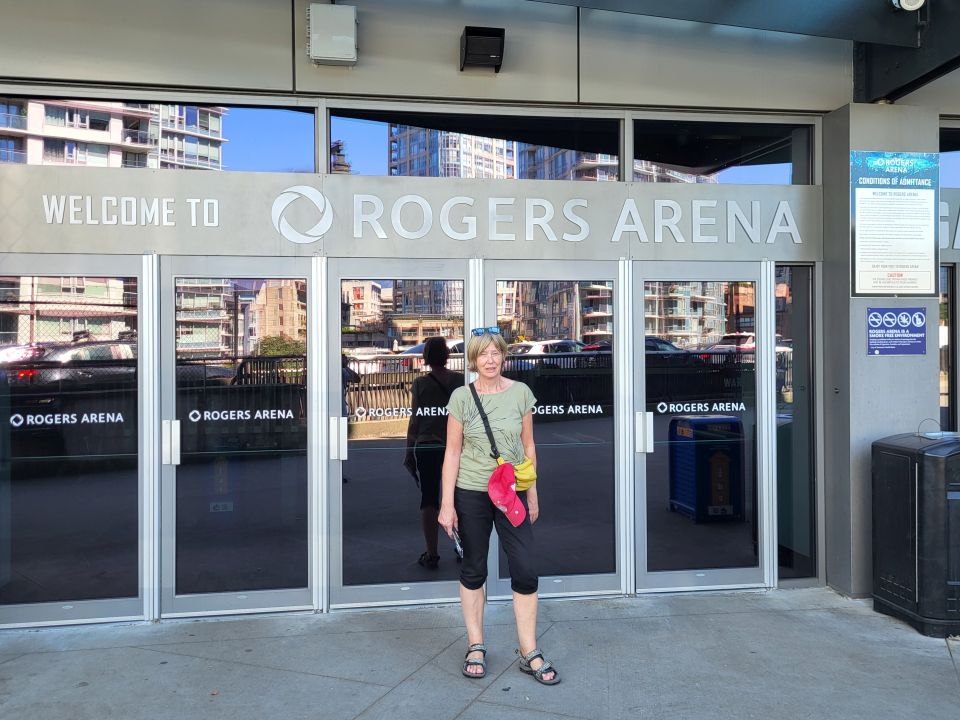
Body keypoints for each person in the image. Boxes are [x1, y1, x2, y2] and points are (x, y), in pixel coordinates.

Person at [438, 328, 560, 685]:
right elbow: (452, 452)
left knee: (525, 569)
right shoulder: (462, 397)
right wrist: (447, 504)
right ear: (473, 360)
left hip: (511, 492)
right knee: (474, 568)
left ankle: (529, 650)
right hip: (471, 492)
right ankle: (475, 645)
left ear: (504, 356)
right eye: (483, 354)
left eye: (496, 353)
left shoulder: (520, 393)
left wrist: (532, 493)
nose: (490, 360)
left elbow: (529, 446)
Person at [404, 337, 464, 569]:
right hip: (456, 446)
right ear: (447, 356)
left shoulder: (421, 384)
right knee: (459, 497)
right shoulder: (460, 381)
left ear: (426, 357)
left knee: (429, 499)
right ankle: (463, 547)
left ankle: (432, 553)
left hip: (428, 446)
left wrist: (409, 451)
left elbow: (415, 421)